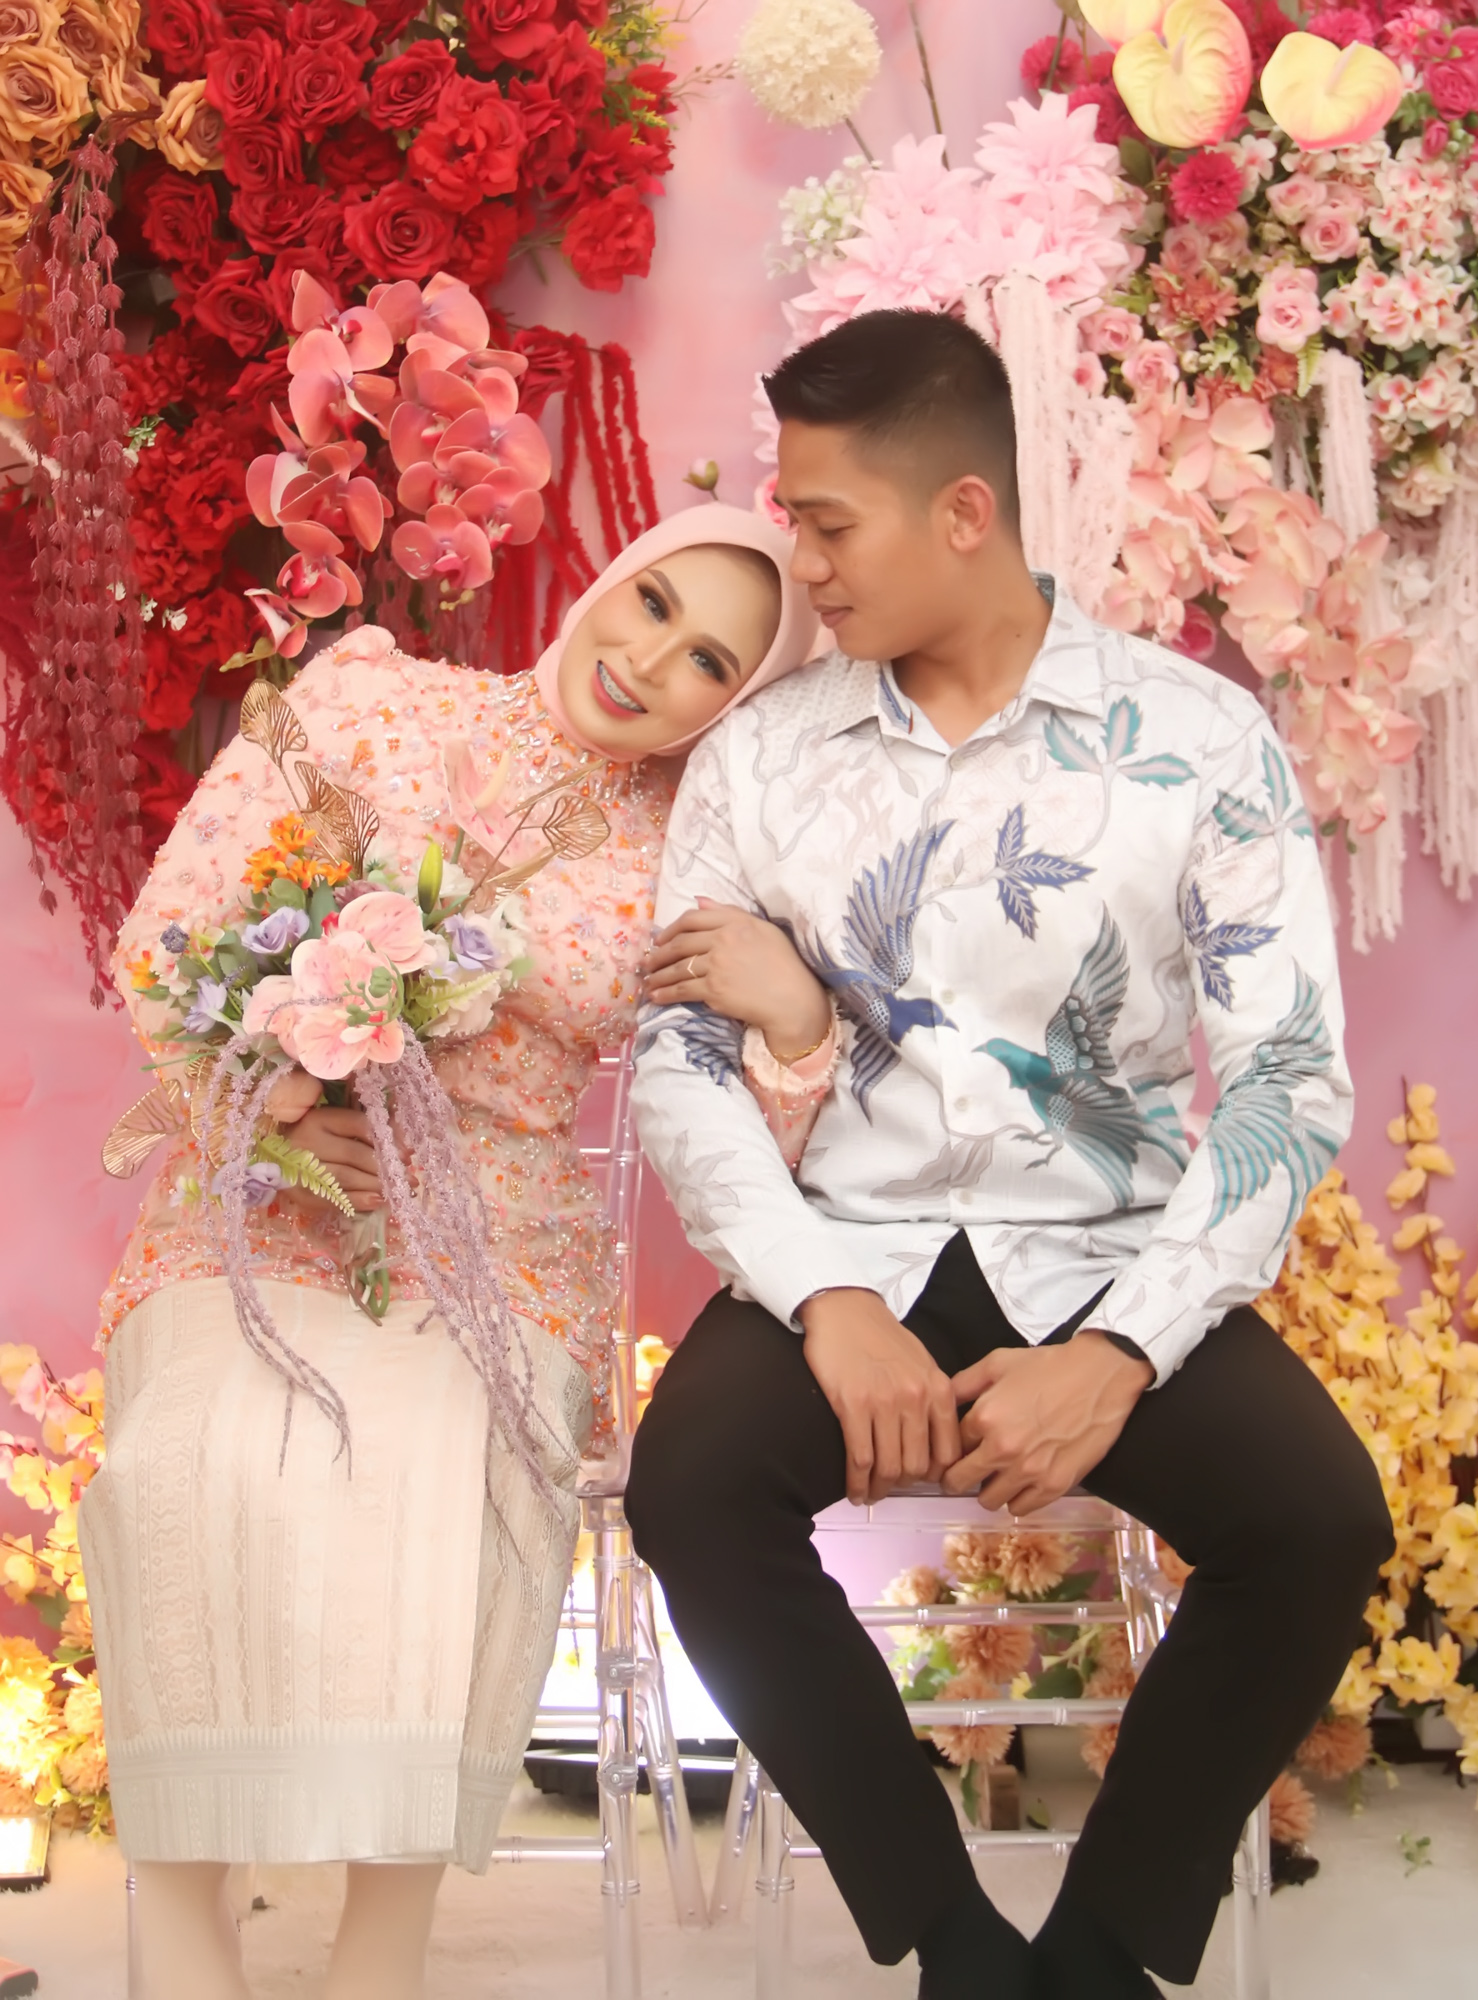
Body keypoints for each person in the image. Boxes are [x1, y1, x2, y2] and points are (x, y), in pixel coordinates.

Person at [626, 312, 1395, 2000]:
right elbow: (679, 1064)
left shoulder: (1199, 738)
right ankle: (959, 1947)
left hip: (1113, 1250)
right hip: (850, 1248)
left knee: (1320, 1521)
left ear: (963, 513)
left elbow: (1284, 1076)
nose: (802, 562)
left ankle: (1098, 1961)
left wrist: (1121, 1353)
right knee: (691, 1488)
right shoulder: (761, 754)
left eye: (830, 523)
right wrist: (828, 1302)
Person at [78, 503, 819, 2000]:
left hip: (497, 1241)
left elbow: (742, 1135)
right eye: (654, 603)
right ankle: (183, 1942)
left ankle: (381, 1959)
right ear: (612, 579)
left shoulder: (694, 850)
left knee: (431, 1476)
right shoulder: (370, 696)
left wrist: (797, 1025)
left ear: (733, 704)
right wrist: (270, 1093)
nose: (650, 660)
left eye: (707, 661)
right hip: (259, 1195)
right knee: (190, 1460)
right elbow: (171, 932)